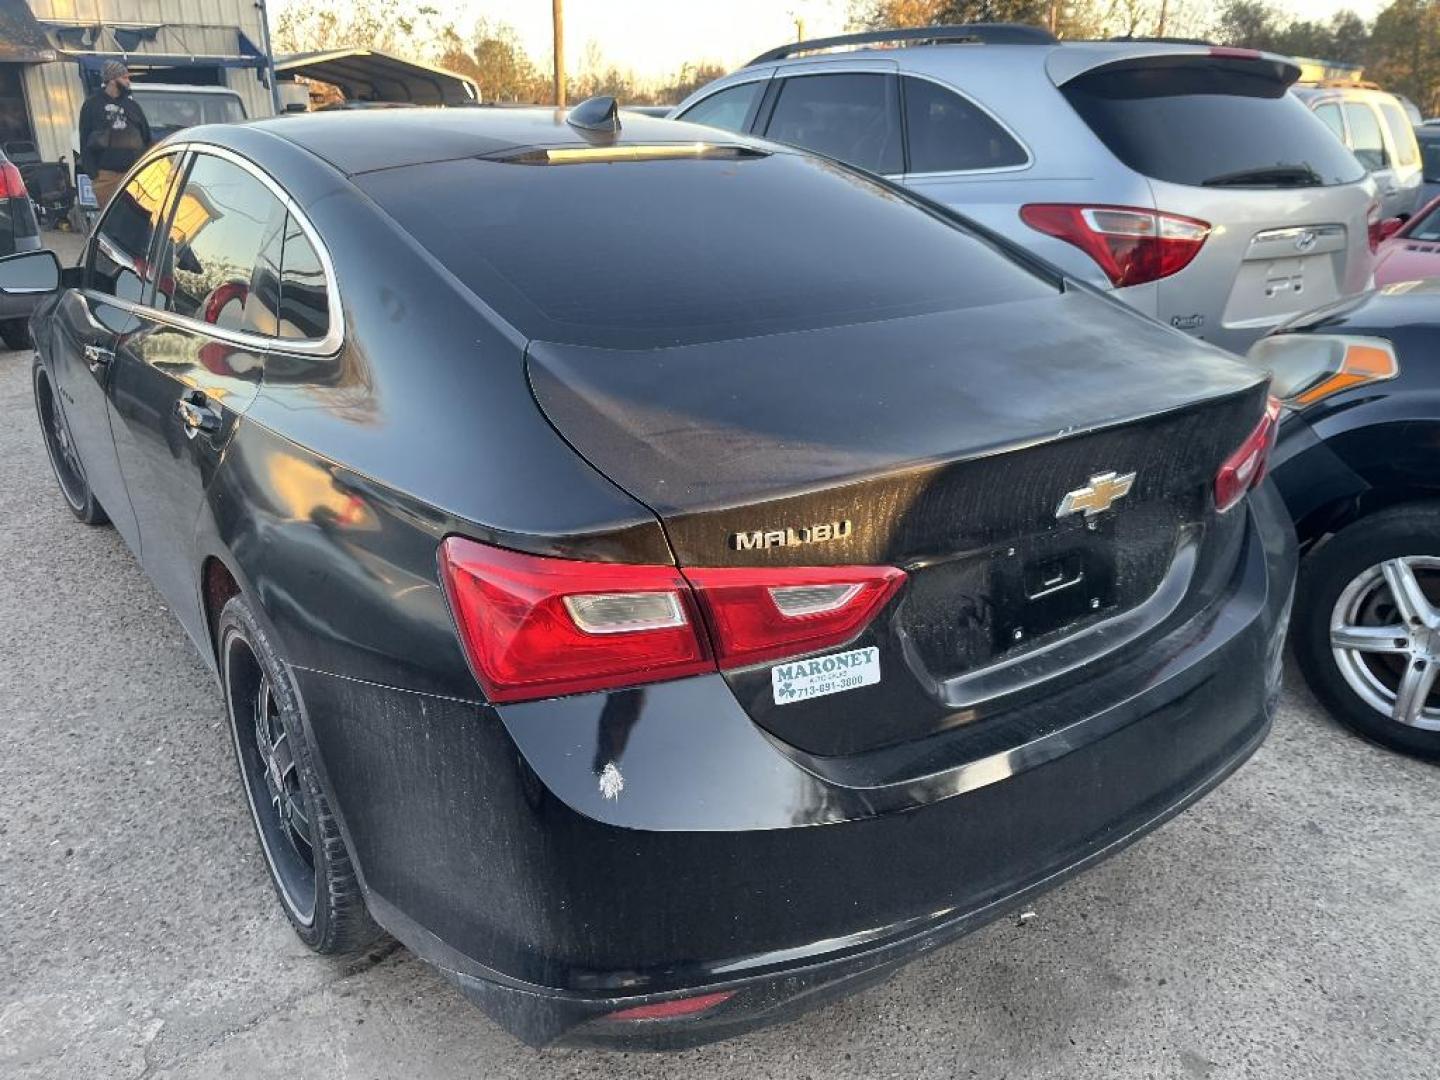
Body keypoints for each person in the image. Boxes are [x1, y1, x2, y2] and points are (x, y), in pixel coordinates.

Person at [78, 61, 152, 208]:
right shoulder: (91, 105)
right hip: (106, 176)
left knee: (139, 218)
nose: (128, 82)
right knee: (111, 223)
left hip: (134, 175)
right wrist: (95, 175)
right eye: (124, 78)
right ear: (112, 80)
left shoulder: (133, 106)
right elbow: (84, 140)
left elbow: (146, 138)